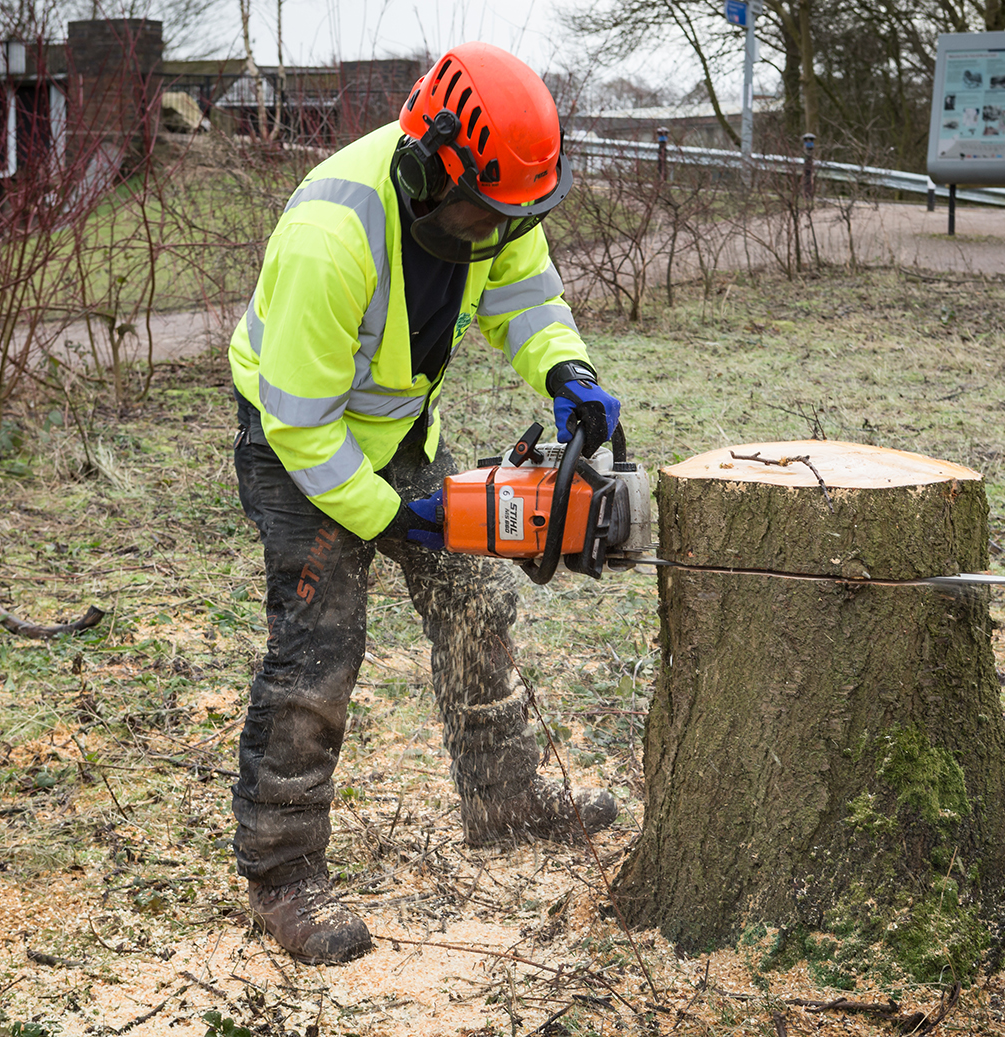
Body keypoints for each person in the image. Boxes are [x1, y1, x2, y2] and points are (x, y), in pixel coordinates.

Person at [226, 42, 622, 965]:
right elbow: (301, 424)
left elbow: (524, 293)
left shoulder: (499, 199)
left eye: (512, 215)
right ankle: (282, 872)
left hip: (399, 431)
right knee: (318, 650)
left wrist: (565, 368)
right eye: (483, 211)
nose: (494, 230)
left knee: (474, 598)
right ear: (429, 166)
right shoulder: (331, 234)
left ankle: (504, 797)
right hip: (297, 445)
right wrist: (390, 515)